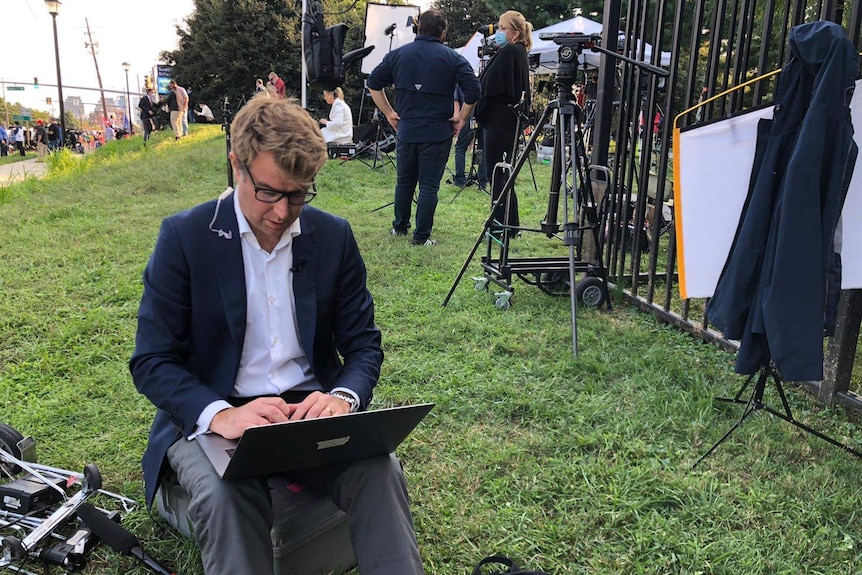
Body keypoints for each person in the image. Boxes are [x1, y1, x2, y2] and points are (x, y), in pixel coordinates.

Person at [129, 96, 425, 575]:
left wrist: (344, 397)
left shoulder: (332, 236)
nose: (284, 211)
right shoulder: (185, 238)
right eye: (269, 192)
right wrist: (220, 414)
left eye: (300, 194)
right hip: (215, 412)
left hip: (308, 410)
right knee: (227, 495)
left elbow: (363, 344)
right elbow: (152, 360)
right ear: (236, 165)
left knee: (379, 469)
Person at [367, 8, 480, 246]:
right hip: (437, 132)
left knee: (404, 181)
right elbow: (474, 91)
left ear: (418, 27)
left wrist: (389, 113)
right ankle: (422, 236)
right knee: (429, 186)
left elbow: (373, 84)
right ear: (443, 32)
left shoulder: (398, 55)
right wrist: (461, 117)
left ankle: (399, 227)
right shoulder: (453, 58)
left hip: (407, 130)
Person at [475, 10, 533, 234]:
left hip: (501, 121)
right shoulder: (514, 52)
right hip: (502, 120)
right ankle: (508, 222)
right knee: (501, 172)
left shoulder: (511, 52)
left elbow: (490, 85)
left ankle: (501, 224)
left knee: (498, 172)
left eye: (502, 28)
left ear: (515, 33)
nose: (498, 32)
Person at [448, 84, 487, 190]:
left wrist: (458, 120)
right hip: (483, 117)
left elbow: (456, 104)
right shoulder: (482, 83)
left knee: (460, 148)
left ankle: (460, 179)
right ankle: (482, 182)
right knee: (483, 149)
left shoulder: (459, 85)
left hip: (469, 117)